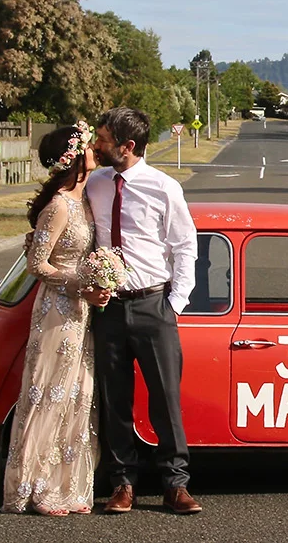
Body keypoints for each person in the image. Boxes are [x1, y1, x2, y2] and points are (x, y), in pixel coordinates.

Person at [86, 107, 202, 515]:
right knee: (114, 400)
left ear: (127, 146)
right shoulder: (95, 184)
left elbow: (185, 246)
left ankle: (176, 484)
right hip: (109, 309)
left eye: (103, 139)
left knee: (165, 399)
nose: (97, 145)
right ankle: (122, 484)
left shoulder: (164, 187)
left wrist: (174, 305)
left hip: (154, 305)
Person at [1, 123, 106, 516]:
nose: (95, 148)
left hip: (82, 312)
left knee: (78, 395)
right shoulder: (60, 205)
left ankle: (69, 486)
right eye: (89, 144)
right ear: (75, 156)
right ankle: (37, 487)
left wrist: (99, 280)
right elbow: (37, 264)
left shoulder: (86, 201)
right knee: (49, 394)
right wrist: (81, 281)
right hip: (57, 311)